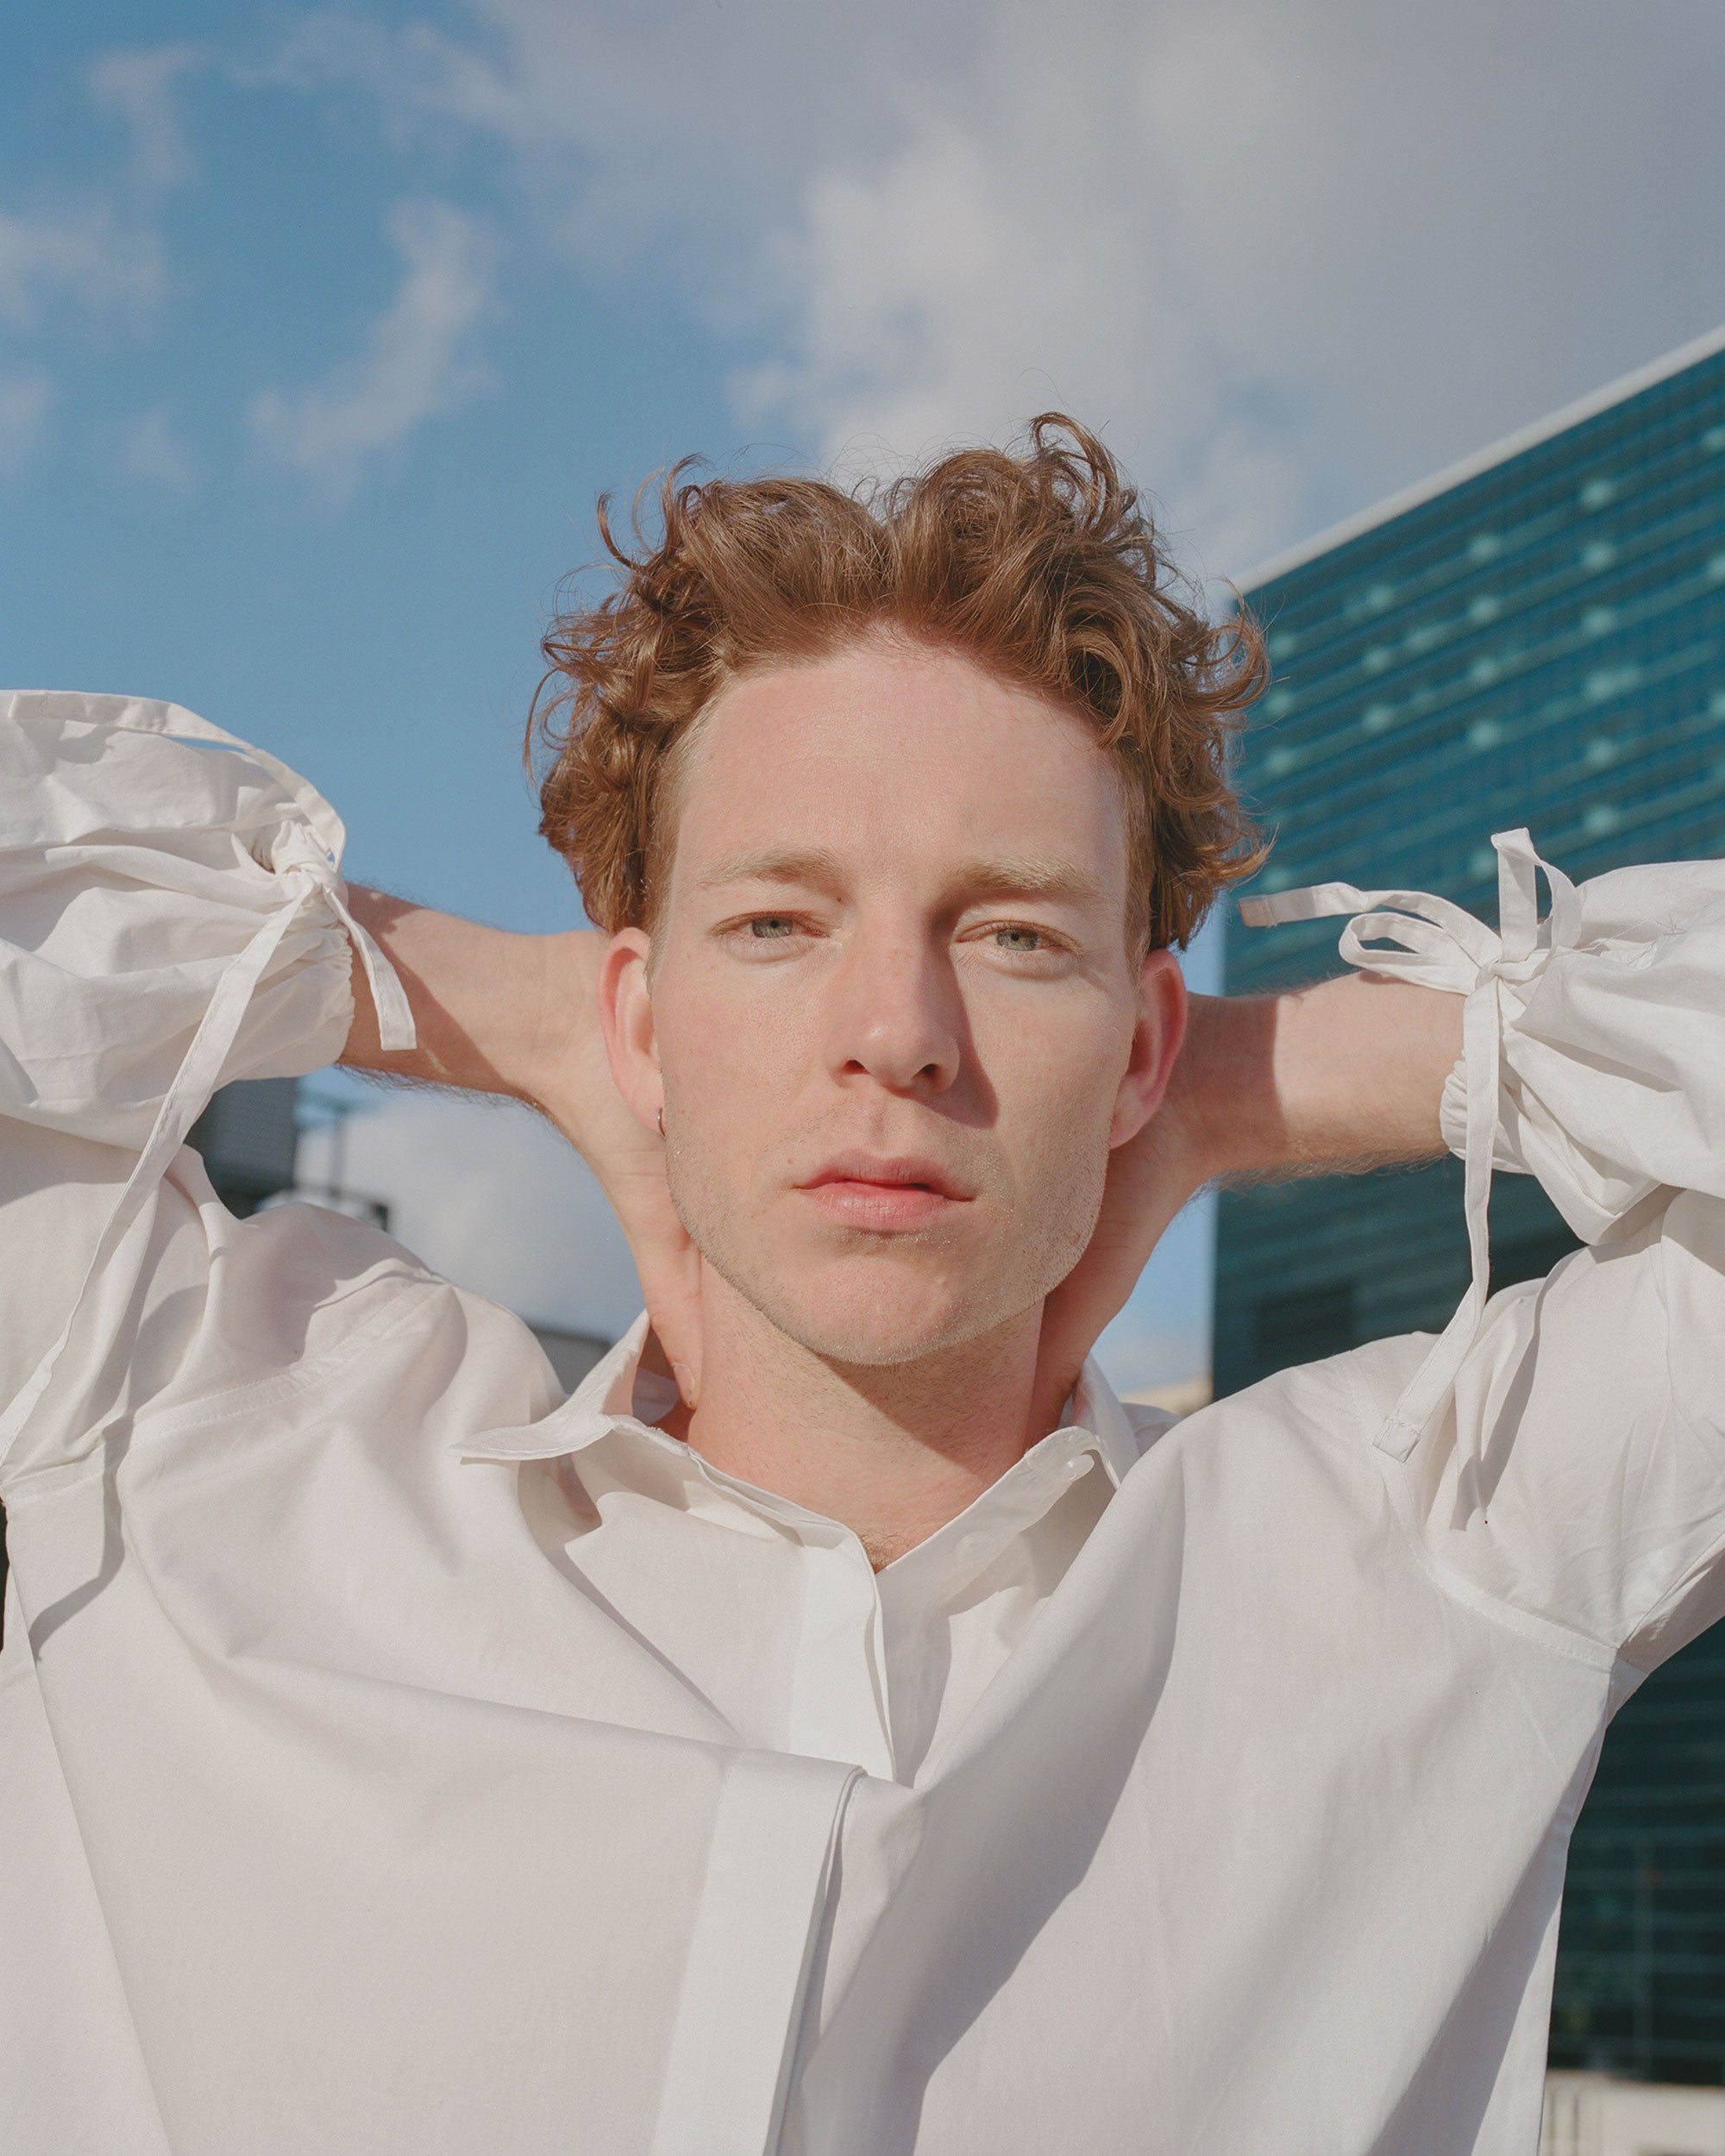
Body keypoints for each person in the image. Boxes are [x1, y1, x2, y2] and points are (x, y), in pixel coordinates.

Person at [1, 420, 1722, 2156]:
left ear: (1140, 1046)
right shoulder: (202, 1422)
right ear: (637, 1015)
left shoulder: (1432, 1545)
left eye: (1015, 935)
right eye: (776, 924)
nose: (898, 1033)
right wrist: (510, 1015)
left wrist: (1239, 1087)